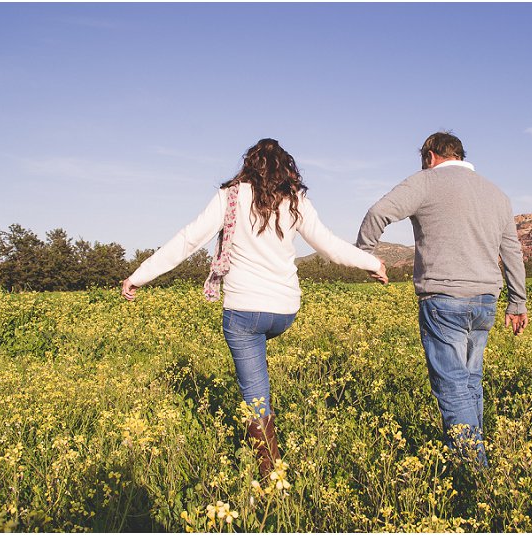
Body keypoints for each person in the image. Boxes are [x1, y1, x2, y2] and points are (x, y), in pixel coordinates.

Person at [121, 138, 387, 478]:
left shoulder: (228, 197)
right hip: (285, 311)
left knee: (256, 395)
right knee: (259, 346)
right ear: (286, 168)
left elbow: (187, 240)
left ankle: (269, 473)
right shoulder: (296, 201)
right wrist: (370, 263)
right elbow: (331, 246)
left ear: (248, 165)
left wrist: (139, 276)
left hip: (244, 311)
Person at [356, 131, 528, 466]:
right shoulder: (497, 194)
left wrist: (365, 256)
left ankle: (474, 471)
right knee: (470, 381)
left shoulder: (426, 181)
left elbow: (378, 212)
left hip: (443, 299)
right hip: (485, 300)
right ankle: (476, 457)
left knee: (452, 387)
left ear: (431, 156)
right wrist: (517, 302)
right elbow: (512, 252)